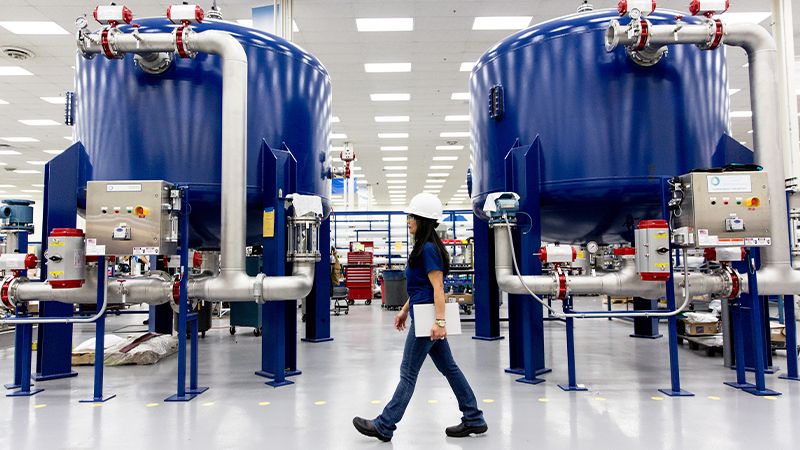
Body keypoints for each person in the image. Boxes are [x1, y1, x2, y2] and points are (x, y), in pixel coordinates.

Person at [353, 193, 487, 442]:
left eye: (411, 216)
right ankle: (474, 417)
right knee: (450, 368)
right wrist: (404, 309)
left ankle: (385, 425)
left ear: (423, 219)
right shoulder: (423, 247)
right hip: (422, 313)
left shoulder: (428, 249)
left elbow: (438, 288)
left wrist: (440, 322)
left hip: (427, 320)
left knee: (407, 373)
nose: (408, 220)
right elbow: (419, 287)